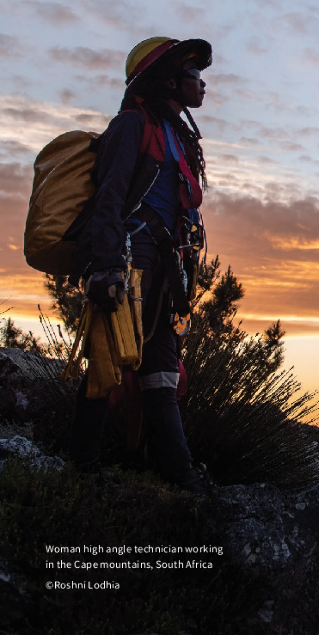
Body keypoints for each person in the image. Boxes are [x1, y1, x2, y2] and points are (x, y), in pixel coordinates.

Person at [68, 36, 212, 493]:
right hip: (130, 260)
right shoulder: (133, 125)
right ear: (167, 79)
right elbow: (110, 197)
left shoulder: (176, 134)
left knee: (162, 368)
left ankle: (180, 474)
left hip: (165, 266)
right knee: (106, 359)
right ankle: (81, 468)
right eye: (194, 75)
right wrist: (107, 265)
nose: (202, 84)